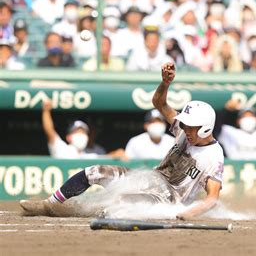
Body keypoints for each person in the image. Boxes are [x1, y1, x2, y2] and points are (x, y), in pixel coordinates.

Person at [21, 62, 224, 221]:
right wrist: (165, 83)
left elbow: (212, 198)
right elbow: (159, 103)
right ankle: (49, 204)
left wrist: (190, 212)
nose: (186, 129)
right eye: (185, 125)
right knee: (93, 172)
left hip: (168, 199)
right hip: (151, 178)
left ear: (206, 127)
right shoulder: (183, 129)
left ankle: (84, 211)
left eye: (191, 127)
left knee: (119, 204)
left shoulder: (213, 156)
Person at [41, 100, 121, 159]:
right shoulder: (62, 149)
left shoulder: (89, 155)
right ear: (68, 137)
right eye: (77, 132)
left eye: (83, 133)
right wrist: (46, 111)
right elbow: (49, 131)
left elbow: (105, 158)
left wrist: (116, 154)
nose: (81, 135)